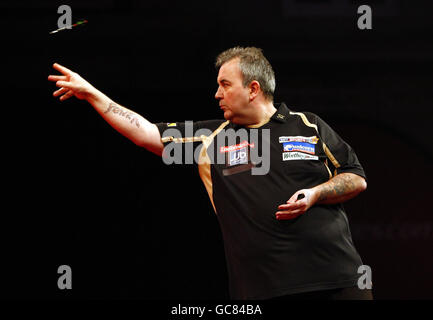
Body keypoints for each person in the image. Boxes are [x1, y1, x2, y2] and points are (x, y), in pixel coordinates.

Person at [48, 46, 372, 300]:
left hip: (337, 281)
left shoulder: (308, 124)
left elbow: (355, 177)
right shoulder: (212, 137)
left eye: (224, 85)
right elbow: (144, 133)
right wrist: (92, 94)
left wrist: (316, 194)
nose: (216, 94)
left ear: (253, 89)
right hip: (263, 291)